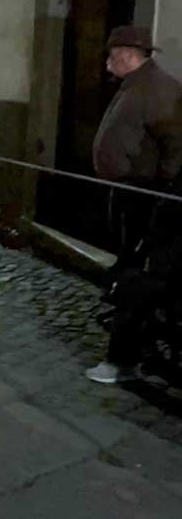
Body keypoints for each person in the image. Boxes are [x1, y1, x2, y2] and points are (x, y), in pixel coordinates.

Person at [86, 25, 182, 384]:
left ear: (127, 55)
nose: (107, 63)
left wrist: (161, 190)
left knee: (137, 276)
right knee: (130, 267)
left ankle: (124, 358)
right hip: (133, 193)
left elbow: (174, 146)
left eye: (111, 56)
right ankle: (134, 349)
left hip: (149, 199)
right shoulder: (137, 85)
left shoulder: (157, 89)